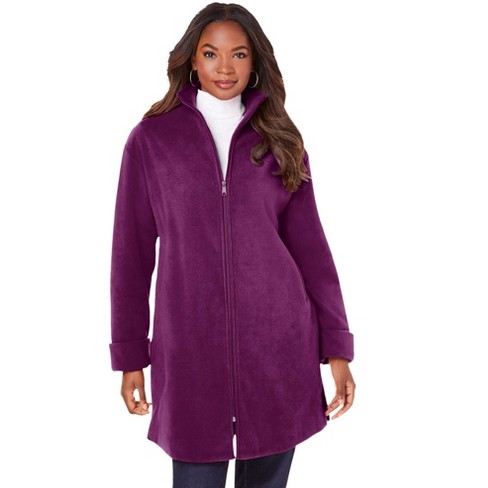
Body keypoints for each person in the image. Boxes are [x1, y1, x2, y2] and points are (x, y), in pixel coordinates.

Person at [109, 3, 356, 487]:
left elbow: (312, 252)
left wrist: (338, 348)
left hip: (278, 354)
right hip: (189, 358)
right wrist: (130, 354)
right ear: (192, 59)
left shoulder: (280, 140)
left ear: (255, 60)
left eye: (239, 54)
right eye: (211, 53)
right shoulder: (151, 141)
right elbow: (130, 258)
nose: (225, 67)